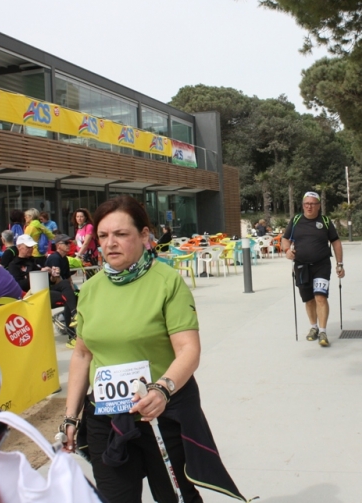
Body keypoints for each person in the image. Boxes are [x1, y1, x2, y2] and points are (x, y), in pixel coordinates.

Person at [62, 195, 246, 503]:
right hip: (105, 418)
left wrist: (162, 390)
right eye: (103, 236)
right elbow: (82, 354)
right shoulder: (91, 289)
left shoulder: (167, 282)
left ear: (145, 235)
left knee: (175, 497)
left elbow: (189, 349)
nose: (110, 244)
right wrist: (70, 416)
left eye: (121, 234)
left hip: (160, 414)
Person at [282, 191, 344, 348]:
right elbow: (285, 239)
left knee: (320, 297)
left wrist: (340, 264)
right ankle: (314, 327)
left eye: (312, 204)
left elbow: (336, 242)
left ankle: (323, 331)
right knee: (308, 299)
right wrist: (287, 251)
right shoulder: (295, 220)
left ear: (318, 206)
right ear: (303, 205)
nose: (309, 207)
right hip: (302, 266)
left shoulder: (325, 221)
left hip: (321, 265)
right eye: (306, 204)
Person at [8, 233, 77, 334]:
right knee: (68, 297)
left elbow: (50, 281)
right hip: (31, 296)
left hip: (44, 291)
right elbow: (19, 285)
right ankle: (72, 333)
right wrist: (38, 274)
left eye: (32, 246)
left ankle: (74, 314)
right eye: (28, 247)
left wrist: (53, 275)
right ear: (19, 247)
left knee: (67, 287)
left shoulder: (35, 261)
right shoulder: (14, 265)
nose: (31, 249)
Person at [45, 234, 78, 343]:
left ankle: (72, 333)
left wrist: (73, 289)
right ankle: (72, 331)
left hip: (62, 287)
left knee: (74, 295)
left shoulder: (65, 259)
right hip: (51, 289)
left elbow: (68, 278)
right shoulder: (54, 258)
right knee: (68, 296)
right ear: (58, 245)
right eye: (66, 243)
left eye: (70, 242)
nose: (69, 245)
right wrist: (69, 289)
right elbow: (56, 279)